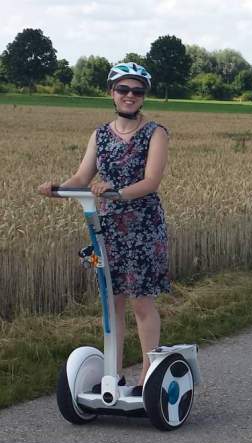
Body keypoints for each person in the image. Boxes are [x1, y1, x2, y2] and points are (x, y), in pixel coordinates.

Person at [38, 62, 170, 395]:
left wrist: (115, 191)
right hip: (107, 229)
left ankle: (147, 378)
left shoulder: (155, 133)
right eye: (123, 89)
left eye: (136, 91)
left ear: (143, 97)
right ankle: (113, 373)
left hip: (143, 227)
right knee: (112, 302)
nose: (129, 96)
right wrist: (59, 189)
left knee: (141, 303)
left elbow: (151, 181)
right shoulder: (99, 134)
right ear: (112, 92)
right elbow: (83, 177)